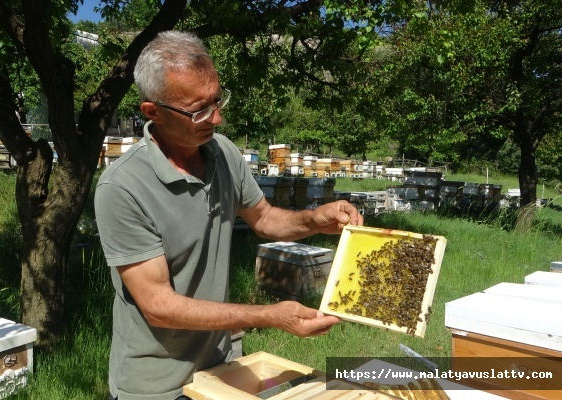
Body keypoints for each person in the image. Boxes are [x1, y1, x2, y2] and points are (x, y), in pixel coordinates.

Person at [94, 30, 364, 400]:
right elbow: (158, 306)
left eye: (218, 101)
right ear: (152, 112)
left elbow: (265, 218)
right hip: (154, 384)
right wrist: (269, 316)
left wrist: (314, 218)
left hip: (219, 365)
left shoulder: (222, 152)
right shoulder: (122, 188)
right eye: (199, 110)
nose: (217, 119)